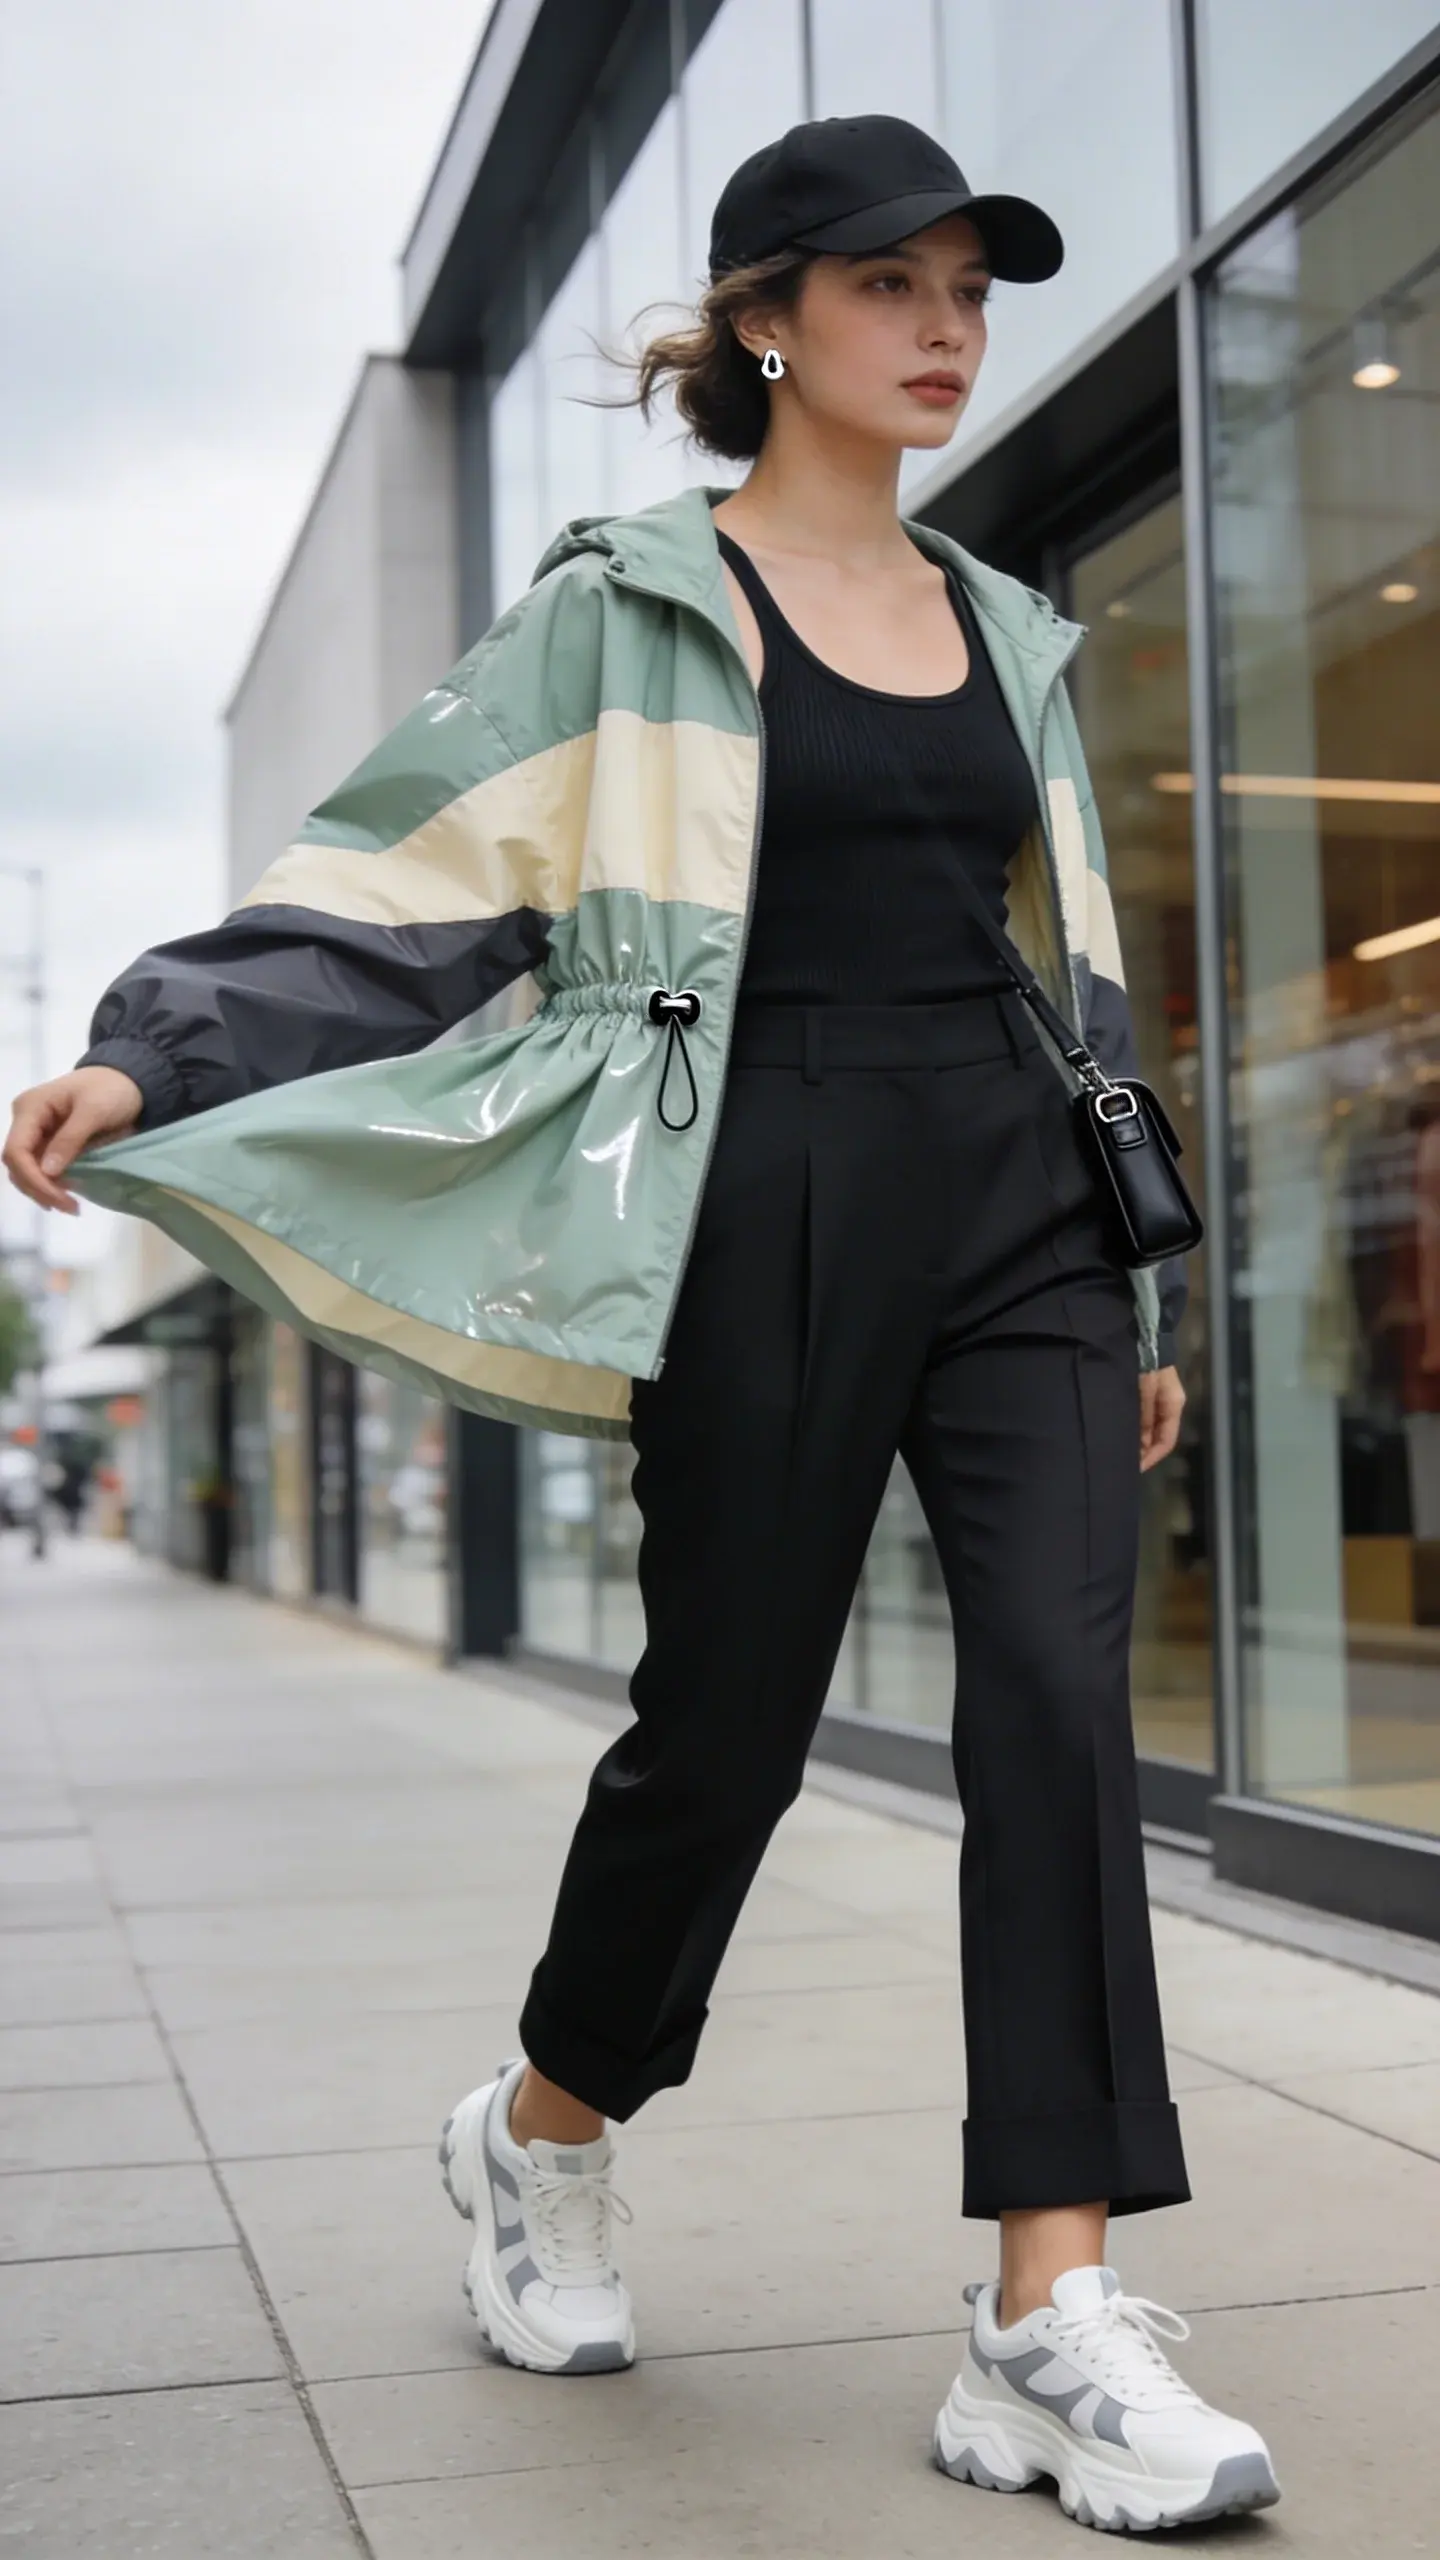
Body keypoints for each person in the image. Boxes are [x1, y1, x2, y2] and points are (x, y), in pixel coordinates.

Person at [4, 113, 1278, 2536]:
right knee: (722, 1739)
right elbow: (402, 880)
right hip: (751, 1189)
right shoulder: (624, 604)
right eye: (895, 287)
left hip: (1014, 1205)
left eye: (970, 292)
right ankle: (542, 2133)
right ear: (770, 318)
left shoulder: (1012, 626)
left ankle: (1046, 2312)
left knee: (1049, 1696)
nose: (945, 330)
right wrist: (154, 1046)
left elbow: (1075, 968)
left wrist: (1128, 1272)